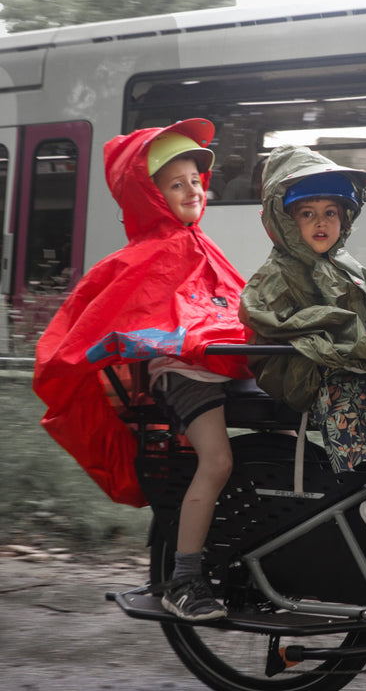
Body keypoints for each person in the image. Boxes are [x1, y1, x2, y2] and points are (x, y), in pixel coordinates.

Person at [33, 119, 253, 623]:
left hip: (216, 363)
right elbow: (125, 320)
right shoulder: (143, 258)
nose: (193, 190)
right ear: (150, 198)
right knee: (216, 461)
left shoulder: (198, 243)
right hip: (184, 374)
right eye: (176, 185)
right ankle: (185, 578)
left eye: (196, 180)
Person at [239, 144, 366, 565]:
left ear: (346, 218)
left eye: (331, 212)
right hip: (302, 371)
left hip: (337, 362)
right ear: (285, 221)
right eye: (307, 213)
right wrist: (351, 337)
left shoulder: (345, 265)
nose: (321, 222)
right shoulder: (278, 273)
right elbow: (275, 320)